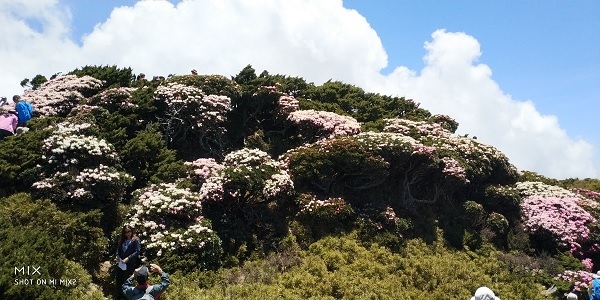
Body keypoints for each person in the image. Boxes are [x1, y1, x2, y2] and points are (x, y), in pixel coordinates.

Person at [116, 225, 142, 297]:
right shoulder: (123, 240)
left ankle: (126, 296)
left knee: (126, 281)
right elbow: (118, 249)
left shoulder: (135, 240)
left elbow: (137, 251)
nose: (127, 233)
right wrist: (117, 256)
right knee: (118, 280)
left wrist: (128, 258)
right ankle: (119, 296)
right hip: (121, 263)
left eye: (129, 231)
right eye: (125, 232)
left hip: (129, 264)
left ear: (132, 231)